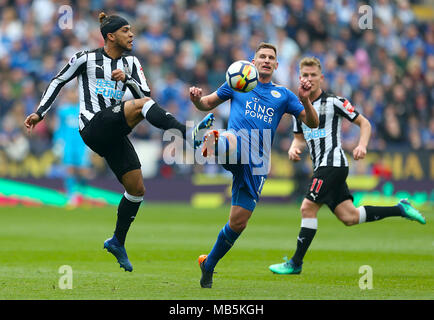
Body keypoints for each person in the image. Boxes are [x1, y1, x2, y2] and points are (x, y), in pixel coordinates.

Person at [24, 12, 214, 272]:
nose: (132, 34)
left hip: (113, 132)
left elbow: (145, 97)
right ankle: (187, 133)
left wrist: (128, 80)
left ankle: (117, 241)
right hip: (92, 126)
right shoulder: (85, 58)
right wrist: (40, 112)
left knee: (136, 189)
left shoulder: (132, 63)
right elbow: (58, 81)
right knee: (142, 107)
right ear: (111, 36)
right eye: (126, 30)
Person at [268, 57, 426, 275]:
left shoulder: (334, 102)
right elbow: (299, 138)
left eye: (313, 75)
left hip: (333, 163)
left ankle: (295, 263)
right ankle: (401, 208)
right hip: (321, 167)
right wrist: (293, 148)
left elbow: (365, 123)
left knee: (307, 207)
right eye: (305, 75)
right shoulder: (298, 109)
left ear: (321, 78)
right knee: (349, 217)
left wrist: (362, 145)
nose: (309, 79)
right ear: (299, 77)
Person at [189, 42, 319, 288]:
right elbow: (206, 103)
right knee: (231, 139)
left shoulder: (285, 96)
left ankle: (209, 265)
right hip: (236, 145)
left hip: (257, 165)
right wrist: (196, 99)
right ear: (254, 61)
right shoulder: (238, 82)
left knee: (238, 223)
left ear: (276, 64)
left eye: (271, 57)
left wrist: (306, 99)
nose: (267, 60)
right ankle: (210, 140)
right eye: (262, 56)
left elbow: (312, 123)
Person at [53, 88, 92, 207]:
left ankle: (83, 194)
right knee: (69, 169)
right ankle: (71, 195)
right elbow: (59, 128)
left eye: (74, 93)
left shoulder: (84, 110)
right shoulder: (63, 111)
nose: (72, 96)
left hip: (82, 145)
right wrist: (58, 143)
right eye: (70, 93)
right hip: (68, 145)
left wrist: (92, 143)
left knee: (84, 171)